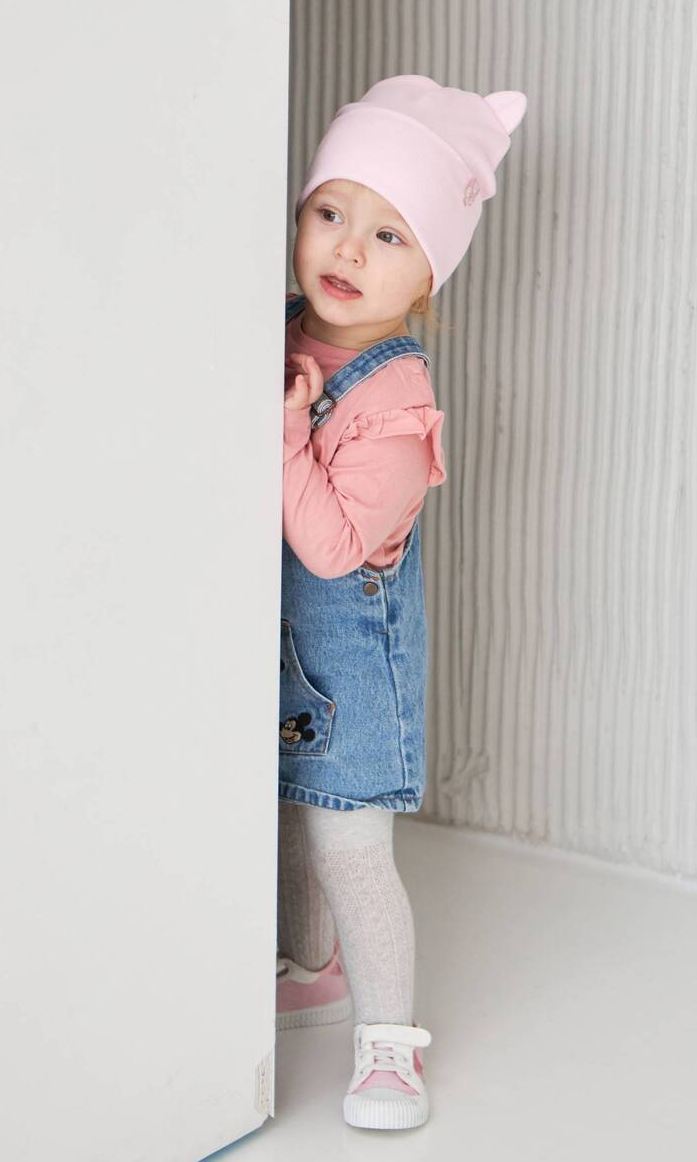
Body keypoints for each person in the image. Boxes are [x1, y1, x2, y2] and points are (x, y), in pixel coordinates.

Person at [276, 74, 527, 1131]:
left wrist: (283, 431)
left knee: (349, 842)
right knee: (291, 813)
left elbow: (333, 546)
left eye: (388, 235)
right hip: (283, 645)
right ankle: (311, 970)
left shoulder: (395, 402)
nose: (346, 250)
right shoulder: (285, 328)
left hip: (351, 660)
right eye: (330, 212)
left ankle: (388, 1041)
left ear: (429, 273)